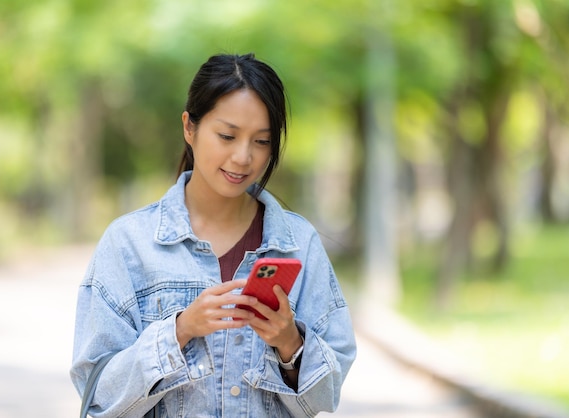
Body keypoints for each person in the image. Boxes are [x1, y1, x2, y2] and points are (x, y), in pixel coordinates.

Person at [70, 53, 356, 417]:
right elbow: (97, 397)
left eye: (262, 141)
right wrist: (179, 331)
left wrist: (290, 344)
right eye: (227, 135)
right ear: (189, 127)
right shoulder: (129, 244)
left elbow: (325, 398)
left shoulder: (299, 243)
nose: (243, 157)